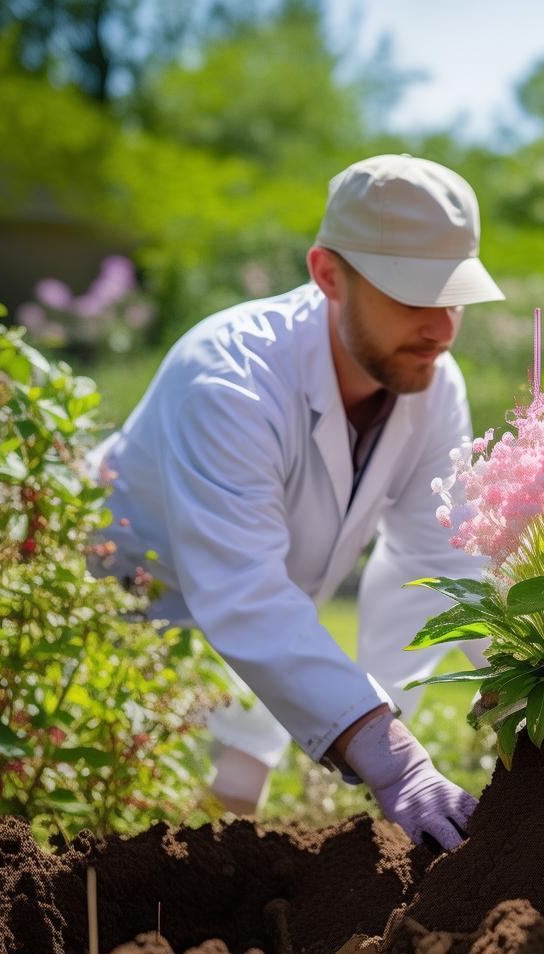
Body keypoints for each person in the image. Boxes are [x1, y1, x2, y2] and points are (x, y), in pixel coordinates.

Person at [85, 154, 504, 851]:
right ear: (328, 275)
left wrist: (515, 690)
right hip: (119, 615)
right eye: (412, 297)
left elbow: (435, 563)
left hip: (256, 625)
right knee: (135, 848)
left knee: (236, 832)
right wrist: (393, 761)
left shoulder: (433, 383)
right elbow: (242, 592)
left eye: (453, 297)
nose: (442, 330)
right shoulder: (229, 382)